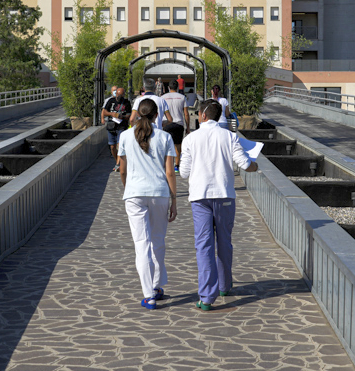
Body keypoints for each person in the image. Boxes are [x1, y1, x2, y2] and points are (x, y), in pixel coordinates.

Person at [179, 100, 258, 311]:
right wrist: (255, 165)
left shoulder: (190, 139)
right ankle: (224, 285)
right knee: (224, 242)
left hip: (199, 197)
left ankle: (206, 297)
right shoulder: (230, 136)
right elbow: (245, 165)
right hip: (224, 195)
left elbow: (184, 172)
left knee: (203, 245)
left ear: (203, 116)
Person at [118, 98, 178, 309]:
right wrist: (174, 200)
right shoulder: (165, 137)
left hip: (134, 194)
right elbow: (170, 172)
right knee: (158, 241)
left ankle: (148, 296)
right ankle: (156, 286)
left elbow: (122, 170)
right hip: (159, 193)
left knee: (141, 244)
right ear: (157, 115)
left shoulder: (125, 136)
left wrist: (128, 188)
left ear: (138, 114)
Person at [101, 85, 132, 171]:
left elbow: (129, 115)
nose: (118, 96)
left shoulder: (127, 102)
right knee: (112, 147)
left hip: (121, 126)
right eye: (117, 94)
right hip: (111, 126)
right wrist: (112, 114)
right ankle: (117, 161)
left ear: (123, 95)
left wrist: (122, 116)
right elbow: (104, 112)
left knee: (119, 145)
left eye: (120, 95)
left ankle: (119, 164)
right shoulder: (111, 101)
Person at [160, 80, 187, 166]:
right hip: (179, 123)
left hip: (166, 123)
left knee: (166, 145)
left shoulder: (163, 97)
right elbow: (186, 113)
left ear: (168, 88)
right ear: (178, 87)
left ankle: (167, 164)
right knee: (178, 146)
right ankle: (177, 165)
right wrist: (188, 126)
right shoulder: (182, 97)